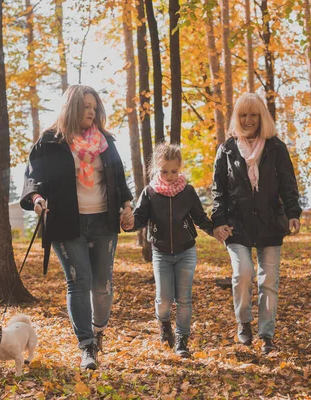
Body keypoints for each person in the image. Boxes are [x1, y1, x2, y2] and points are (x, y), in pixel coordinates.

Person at [20, 85, 134, 370]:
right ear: (71, 107)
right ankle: (87, 346)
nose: (91, 111)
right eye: (85, 106)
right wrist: (36, 199)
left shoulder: (105, 141)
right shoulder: (49, 142)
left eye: (94, 107)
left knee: (103, 287)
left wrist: (127, 206)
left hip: (103, 221)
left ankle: (98, 330)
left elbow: (119, 180)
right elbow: (34, 178)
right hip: (65, 221)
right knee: (79, 282)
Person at [211, 93, 301, 354]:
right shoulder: (227, 149)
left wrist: (293, 212)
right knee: (243, 273)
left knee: (269, 280)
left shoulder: (276, 147)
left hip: (270, 222)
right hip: (236, 224)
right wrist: (219, 222)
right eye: (243, 115)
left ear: (262, 117)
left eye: (253, 115)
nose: (248, 120)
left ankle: (267, 334)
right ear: (236, 118)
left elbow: (288, 183)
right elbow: (218, 190)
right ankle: (243, 322)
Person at [121, 143, 213, 358]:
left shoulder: (188, 192)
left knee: (184, 299)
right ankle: (164, 324)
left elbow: (200, 217)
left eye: (174, 171)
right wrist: (128, 225)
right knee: (164, 300)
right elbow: (140, 219)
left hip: (186, 251)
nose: (169, 176)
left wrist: (215, 230)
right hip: (161, 253)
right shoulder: (150, 192)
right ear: (156, 169)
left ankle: (182, 340)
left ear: (180, 168)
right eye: (164, 171)